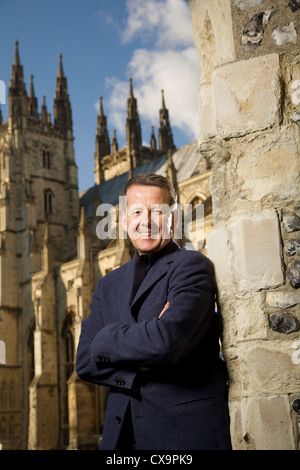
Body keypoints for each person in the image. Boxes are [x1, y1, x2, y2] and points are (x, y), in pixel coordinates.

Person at [75, 172, 231, 450]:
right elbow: (85, 363)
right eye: (136, 212)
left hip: (185, 438)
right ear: (123, 220)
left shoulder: (192, 266)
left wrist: (106, 340)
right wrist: (143, 351)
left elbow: (165, 343)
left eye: (156, 212)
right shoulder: (108, 283)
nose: (145, 222)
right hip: (120, 440)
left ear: (173, 218)